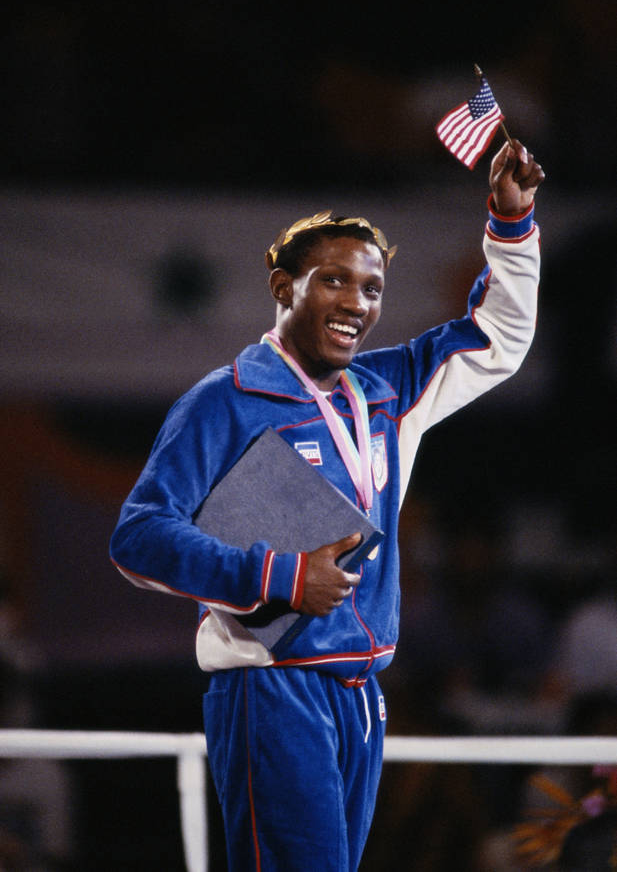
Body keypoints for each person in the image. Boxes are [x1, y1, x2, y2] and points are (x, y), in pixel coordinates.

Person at [110, 138, 544, 871]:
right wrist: (277, 578)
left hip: (360, 691)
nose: (357, 304)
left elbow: (499, 337)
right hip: (269, 688)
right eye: (334, 282)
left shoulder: (385, 392)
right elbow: (139, 538)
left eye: (371, 289)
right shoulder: (226, 400)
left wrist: (510, 222)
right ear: (284, 288)